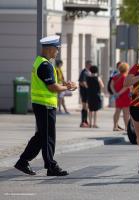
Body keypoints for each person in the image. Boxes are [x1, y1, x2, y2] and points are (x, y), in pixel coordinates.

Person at [14, 35, 77, 176]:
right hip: (45, 105)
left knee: (41, 136)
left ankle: (23, 161)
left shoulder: (40, 62)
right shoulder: (45, 65)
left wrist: (64, 86)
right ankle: (51, 166)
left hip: (41, 104)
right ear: (50, 49)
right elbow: (52, 87)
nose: (58, 51)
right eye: (57, 48)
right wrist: (68, 87)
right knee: (48, 137)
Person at [110, 62, 131, 131]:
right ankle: (126, 127)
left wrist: (115, 93)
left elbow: (111, 85)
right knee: (126, 113)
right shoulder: (125, 77)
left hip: (118, 97)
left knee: (117, 112)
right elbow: (126, 87)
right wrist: (119, 93)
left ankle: (115, 126)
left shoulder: (115, 77)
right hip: (124, 96)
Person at [79, 60, 92, 127]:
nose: (90, 66)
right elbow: (81, 82)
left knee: (86, 107)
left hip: (87, 93)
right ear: (87, 64)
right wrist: (88, 88)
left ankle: (85, 121)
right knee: (84, 106)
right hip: (84, 92)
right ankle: (83, 121)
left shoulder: (89, 72)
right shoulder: (84, 72)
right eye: (90, 64)